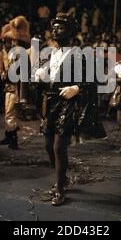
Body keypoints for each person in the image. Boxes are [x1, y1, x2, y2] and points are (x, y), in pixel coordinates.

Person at [35, 13, 89, 206]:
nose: (55, 30)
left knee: (59, 147)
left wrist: (76, 88)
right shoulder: (51, 53)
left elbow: (92, 80)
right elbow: (50, 78)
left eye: (61, 27)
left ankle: (60, 188)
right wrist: (41, 77)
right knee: (48, 146)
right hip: (50, 104)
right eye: (54, 27)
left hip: (68, 104)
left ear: (71, 31)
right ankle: (63, 177)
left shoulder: (79, 53)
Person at [0, 16, 31, 149]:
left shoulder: (20, 53)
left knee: (11, 114)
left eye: (13, 39)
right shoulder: (17, 52)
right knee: (8, 113)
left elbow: (20, 73)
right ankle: (9, 137)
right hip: (12, 87)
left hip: (15, 87)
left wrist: (6, 74)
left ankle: (13, 140)